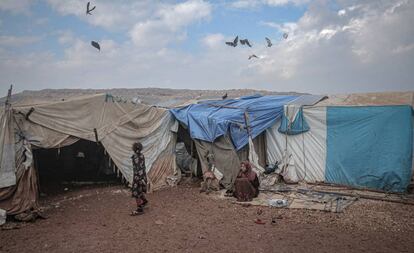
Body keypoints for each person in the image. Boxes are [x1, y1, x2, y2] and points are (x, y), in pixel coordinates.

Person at [130, 142, 148, 216]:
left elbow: (138, 168)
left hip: (138, 177)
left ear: (134, 149)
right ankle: (144, 201)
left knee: (136, 193)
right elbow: (141, 167)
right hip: (143, 176)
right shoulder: (142, 155)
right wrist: (142, 178)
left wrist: (139, 179)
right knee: (140, 191)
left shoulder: (135, 156)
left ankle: (139, 209)